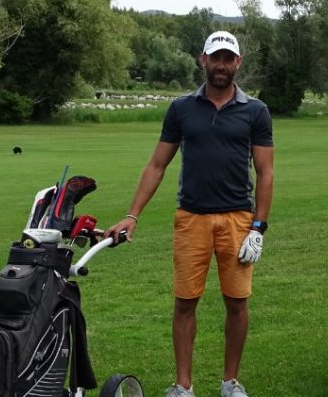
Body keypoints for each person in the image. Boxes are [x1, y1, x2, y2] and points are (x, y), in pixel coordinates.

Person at [106, 31, 274, 397]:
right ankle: (183, 386)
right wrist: (132, 214)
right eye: (216, 58)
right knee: (185, 302)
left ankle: (230, 382)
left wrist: (258, 227)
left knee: (237, 302)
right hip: (191, 218)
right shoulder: (182, 108)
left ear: (238, 63)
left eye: (229, 58)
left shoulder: (255, 111)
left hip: (237, 220)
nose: (222, 65)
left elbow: (266, 173)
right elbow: (156, 165)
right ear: (203, 60)